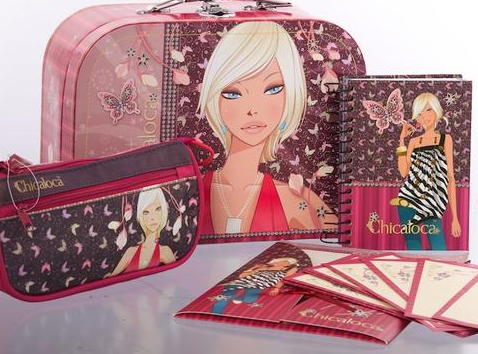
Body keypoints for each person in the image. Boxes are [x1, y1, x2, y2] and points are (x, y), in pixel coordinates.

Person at [197, 21, 333, 234]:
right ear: (215, 99)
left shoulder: (297, 202)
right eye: (233, 93)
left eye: (273, 89)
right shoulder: (190, 195)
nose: (253, 110)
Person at [393, 92, 461, 250]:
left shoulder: (445, 139)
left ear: (437, 110)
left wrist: (455, 218)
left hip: (432, 202)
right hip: (408, 199)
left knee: (439, 248)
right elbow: (403, 172)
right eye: (420, 113)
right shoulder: (414, 142)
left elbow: (450, 177)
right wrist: (402, 141)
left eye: (429, 110)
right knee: (413, 249)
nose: (425, 116)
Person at [109, 188, 175, 276]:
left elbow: (177, 276)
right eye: (146, 212)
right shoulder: (131, 252)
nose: (152, 217)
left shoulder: (165, 251)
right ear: (140, 215)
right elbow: (111, 277)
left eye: (158, 209)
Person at [211, 258, 299, 314]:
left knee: (249, 300)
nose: (281, 262)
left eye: (285, 262)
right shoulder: (264, 267)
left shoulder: (290, 269)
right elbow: (241, 276)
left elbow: (285, 279)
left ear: (289, 264)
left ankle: (240, 298)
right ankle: (216, 312)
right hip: (242, 282)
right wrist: (253, 268)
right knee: (223, 299)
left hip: (260, 285)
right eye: (280, 261)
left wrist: (277, 288)